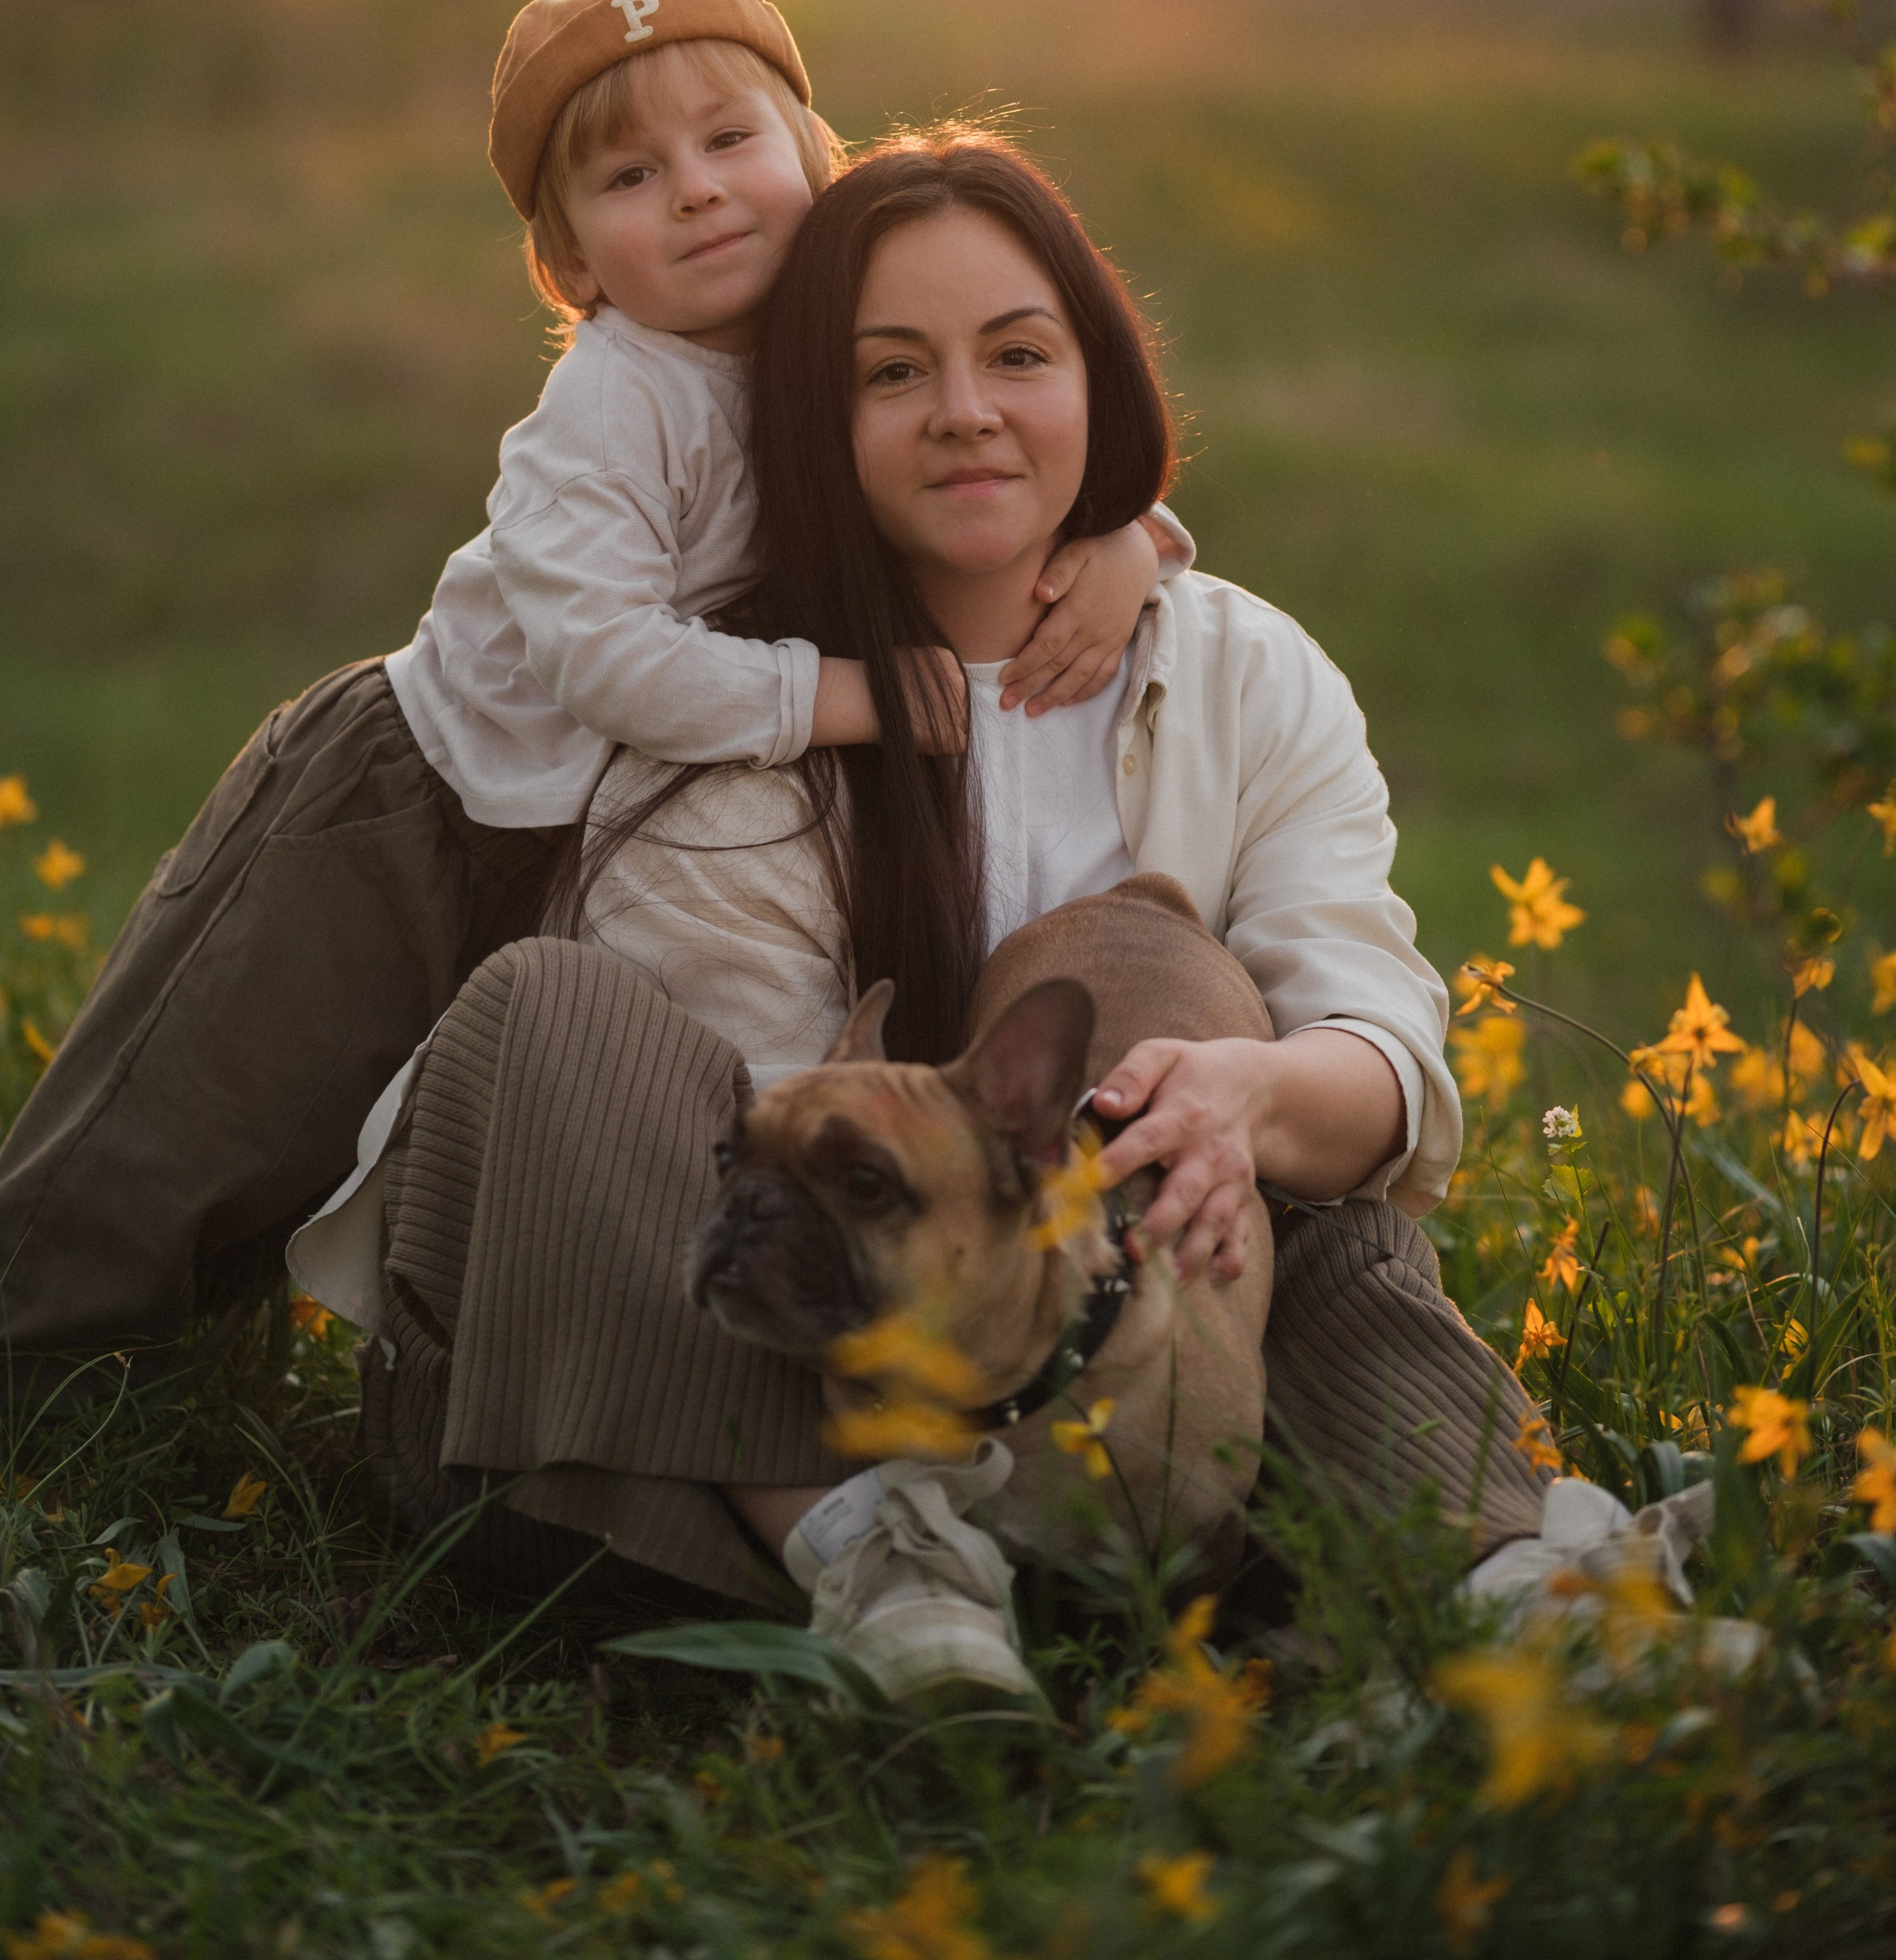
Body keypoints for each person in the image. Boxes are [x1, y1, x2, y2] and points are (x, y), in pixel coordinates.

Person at [347, 131, 1567, 1701]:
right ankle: (886, 1558)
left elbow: (1375, 1028)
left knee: (1285, 1190)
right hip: (705, 1433)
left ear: (1095, 375)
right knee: (558, 1022)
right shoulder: (736, 706)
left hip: (1114, 1405)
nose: (966, 412)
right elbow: (739, 1150)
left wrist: (1242, 1098)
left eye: (1016, 355)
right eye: (890, 373)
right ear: (810, 418)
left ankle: (1532, 1587)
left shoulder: (1242, 675)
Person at [0, 0, 1175, 1404]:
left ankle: (182, 1391)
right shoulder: (614, 405)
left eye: (730, 143)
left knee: (366, 1128)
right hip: (401, 801)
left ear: (816, 161)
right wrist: (855, 698)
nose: (698, 193)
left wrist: (1129, 543)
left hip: (562, 844)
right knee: (192, 1115)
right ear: (569, 261)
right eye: (633, 176)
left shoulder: (838, 355)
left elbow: (985, 460)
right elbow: (611, 660)